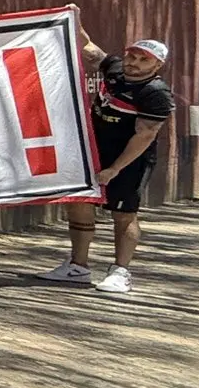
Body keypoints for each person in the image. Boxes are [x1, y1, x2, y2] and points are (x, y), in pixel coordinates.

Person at [39, 28, 175, 294]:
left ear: (157, 65)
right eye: (132, 56)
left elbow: (144, 135)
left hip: (129, 159)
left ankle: (120, 272)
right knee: (79, 202)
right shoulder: (115, 69)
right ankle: (78, 267)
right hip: (93, 151)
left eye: (143, 60)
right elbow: (90, 50)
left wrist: (115, 169)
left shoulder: (155, 93)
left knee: (123, 214)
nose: (134, 63)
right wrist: (73, 22)